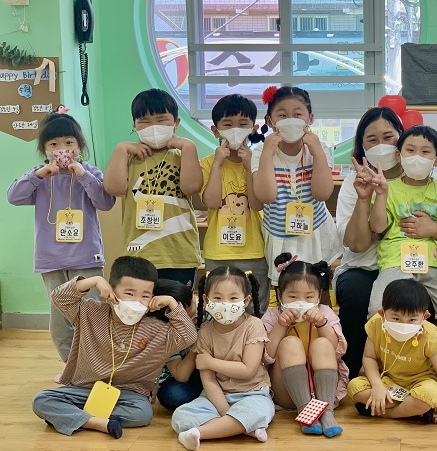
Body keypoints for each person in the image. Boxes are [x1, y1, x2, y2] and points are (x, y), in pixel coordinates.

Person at [335, 107, 437, 379]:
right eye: (372, 140)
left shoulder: (431, 181)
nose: (381, 145)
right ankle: (354, 370)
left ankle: (416, 369)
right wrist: (365, 198)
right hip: (363, 266)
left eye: (388, 137)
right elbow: (356, 245)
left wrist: (433, 229)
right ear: (362, 145)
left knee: (426, 300)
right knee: (357, 297)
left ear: (401, 138)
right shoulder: (353, 182)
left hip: (413, 264)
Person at [31, 257, 196, 438]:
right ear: (112, 291)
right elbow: (60, 297)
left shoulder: (157, 329)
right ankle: (98, 423)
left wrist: (172, 303)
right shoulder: (90, 312)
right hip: (85, 389)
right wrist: (94, 281)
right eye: (129, 293)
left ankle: (72, 417)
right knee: (41, 400)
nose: (137, 301)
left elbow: (188, 336)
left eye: (145, 296)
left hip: (130, 394)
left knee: (142, 414)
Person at [7, 112, 115, 362]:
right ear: (44, 150)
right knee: (59, 318)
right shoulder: (39, 176)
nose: (62, 150)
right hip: (51, 259)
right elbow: (14, 197)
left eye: (68, 143)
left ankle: (94, 363)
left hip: (86, 257)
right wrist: (38, 175)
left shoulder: (90, 172)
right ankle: (70, 365)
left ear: (80, 146)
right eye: (54, 144)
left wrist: (83, 175)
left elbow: (105, 202)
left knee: (93, 313)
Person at [364, 125, 437, 355]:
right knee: (376, 312)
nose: (417, 157)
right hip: (395, 261)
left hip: (435, 263)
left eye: (425, 152)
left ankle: (434, 357)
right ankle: (390, 358)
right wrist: (381, 195)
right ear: (399, 155)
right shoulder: (388, 188)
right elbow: (377, 227)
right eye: (410, 150)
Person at [104, 88, 203, 288]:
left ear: (176, 123)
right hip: (139, 255)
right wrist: (120, 149)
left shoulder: (182, 155)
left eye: (161, 119)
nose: (153, 126)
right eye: (145, 121)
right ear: (134, 125)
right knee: (141, 305)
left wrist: (189, 147)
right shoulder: (129, 158)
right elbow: (113, 188)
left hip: (179, 255)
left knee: (177, 306)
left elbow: (192, 186)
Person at [252, 86, 340, 306]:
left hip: (315, 233)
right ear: (270, 121)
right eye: (282, 115)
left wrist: (317, 152)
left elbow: (322, 193)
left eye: (297, 114)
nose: (290, 120)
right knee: (287, 293)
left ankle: (326, 327)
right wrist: (267, 154)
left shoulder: (318, 149)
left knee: (319, 292)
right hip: (279, 235)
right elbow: (266, 196)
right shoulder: (260, 152)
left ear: (310, 119)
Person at [171, 266, 274, 451]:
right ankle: (243, 428)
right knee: (180, 416)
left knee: (257, 411)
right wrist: (226, 411)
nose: (225, 304)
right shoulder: (205, 331)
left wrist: (210, 362)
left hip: (253, 394)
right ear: (205, 300)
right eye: (217, 298)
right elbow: (208, 380)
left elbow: (248, 370)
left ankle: (198, 433)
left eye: (233, 298)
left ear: (246, 300)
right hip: (215, 397)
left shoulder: (254, 325)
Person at [347, 278, 437, 424]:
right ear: (382, 313)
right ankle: (408, 410)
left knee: (427, 396)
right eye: (396, 318)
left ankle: (386, 413)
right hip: (388, 380)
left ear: (425, 317)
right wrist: (378, 385)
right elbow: (369, 357)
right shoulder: (376, 323)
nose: (404, 325)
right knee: (354, 387)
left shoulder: (429, 335)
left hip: (421, 381)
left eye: (412, 320)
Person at [262, 253, 348, 437]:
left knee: (323, 343)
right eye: (293, 296)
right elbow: (265, 355)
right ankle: (305, 411)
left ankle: (326, 412)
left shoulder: (325, 312)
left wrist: (322, 324)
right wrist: (280, 326)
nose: (301, 302)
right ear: (280, 295)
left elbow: (337, 350)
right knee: (290, 343)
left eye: (309, 297)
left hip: (323, 390)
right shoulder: (272, 315)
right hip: (287, 391)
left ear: (319, 296)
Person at [200, 94, 269, 311]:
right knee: (218, 310)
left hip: (254, 251)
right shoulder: (208, 164)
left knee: (254, 311)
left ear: (254, 128)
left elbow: (257, 204)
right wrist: (218, 165)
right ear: (215, 130)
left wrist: (250, 167)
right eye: (228, 124)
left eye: (243, 124)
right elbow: (212, 202)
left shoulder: (261, 161)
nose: (235, 130)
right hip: (218, 252)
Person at [151, 278, 203, 411]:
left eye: (193, 301)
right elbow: (181, 375)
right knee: (174, 395)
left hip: (208, 368)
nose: (195, 305)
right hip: (179, 376)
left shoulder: (206, 311)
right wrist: (198, 346)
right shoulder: (163, 330)